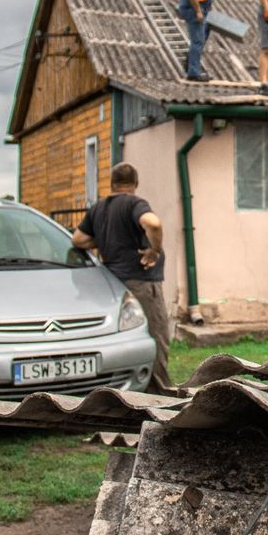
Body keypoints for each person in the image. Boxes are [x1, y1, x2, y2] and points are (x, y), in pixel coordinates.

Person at [72, 163, 173, 394]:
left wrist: (106, 239)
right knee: (154, 336)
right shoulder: (134, 203)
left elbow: (77, 239)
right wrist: (154, 251)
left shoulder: (98, 207)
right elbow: (153, 223)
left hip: (113, 284)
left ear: (112, 184)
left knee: (123, 338)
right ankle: (157, 395)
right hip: (141, 284)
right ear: (135, 183)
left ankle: (121, 390)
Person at [177, 0, 213, 81]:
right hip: (194, 10)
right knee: (197, 41)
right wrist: (198, 10)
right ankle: (193, 73)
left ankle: (190, 63)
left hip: (201, 9)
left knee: (202, 37)